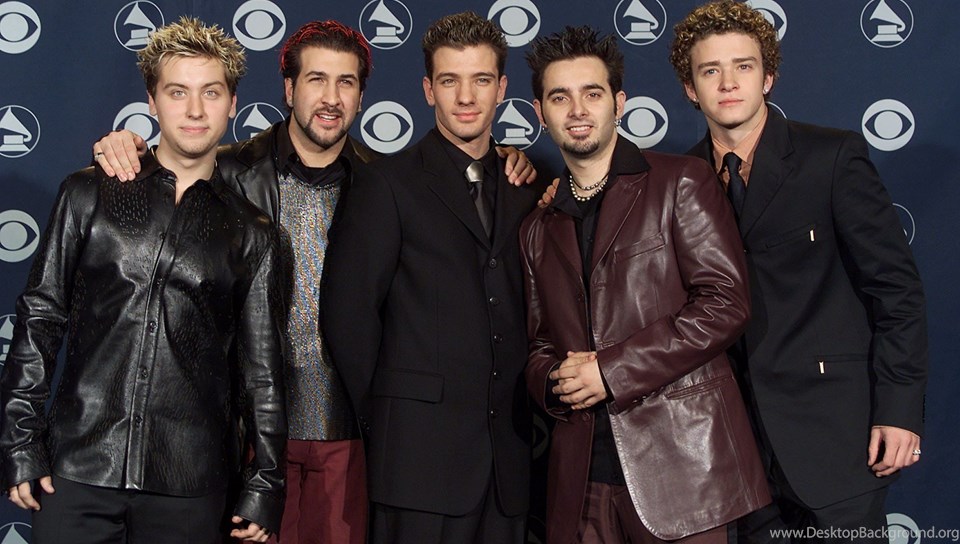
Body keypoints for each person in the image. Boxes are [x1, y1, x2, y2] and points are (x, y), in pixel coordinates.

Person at [91, 20, 537, 544]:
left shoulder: (386, 180)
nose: (330, 98)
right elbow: (170, 173)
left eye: (345, 82)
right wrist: (129, 148)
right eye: (316, 80)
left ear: (362, 96)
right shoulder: (226, 170)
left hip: (347, 438)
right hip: (245, 439)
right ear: (288, 88)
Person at [0, 17, 285, 544]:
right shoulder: (87, 193)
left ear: (233, 103)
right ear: (152, 102)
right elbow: (40, 319)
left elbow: (261, 373)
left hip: (191, 483)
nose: (194, 110)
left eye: (210, 92)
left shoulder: (253, 231)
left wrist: (266, 482)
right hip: (78, 469)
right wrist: (19, 440)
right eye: (177, 92)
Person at [669, 2, 928, 541]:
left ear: (768, 77)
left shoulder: (831, 158)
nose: (728, 83)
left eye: (743, 66)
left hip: (839, 439)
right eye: (710, 70)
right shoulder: (680, 181)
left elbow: (896, 292)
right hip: (738, 457)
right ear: (690, 88)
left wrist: (900, 410)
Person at [520, 26, 769, 544]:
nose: (577, 110)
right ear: (540, 113)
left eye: (592, 93)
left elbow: (725, 303)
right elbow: (541, 343)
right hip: (580, 483)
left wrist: (610, 371)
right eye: (559, 97)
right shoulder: (538, 226)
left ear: (619, 103)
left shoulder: (680, 181)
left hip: (686, 474)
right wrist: (555, 381)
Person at [320, 11, 546, 544]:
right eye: (449, 81)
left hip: (510, 467)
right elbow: (348, 316)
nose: (466, 96)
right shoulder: (386, 184)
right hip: (416, 466)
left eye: (481, 80)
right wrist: (394, 414)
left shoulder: (529, 186)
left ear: (502, 89)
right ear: (428, 90)